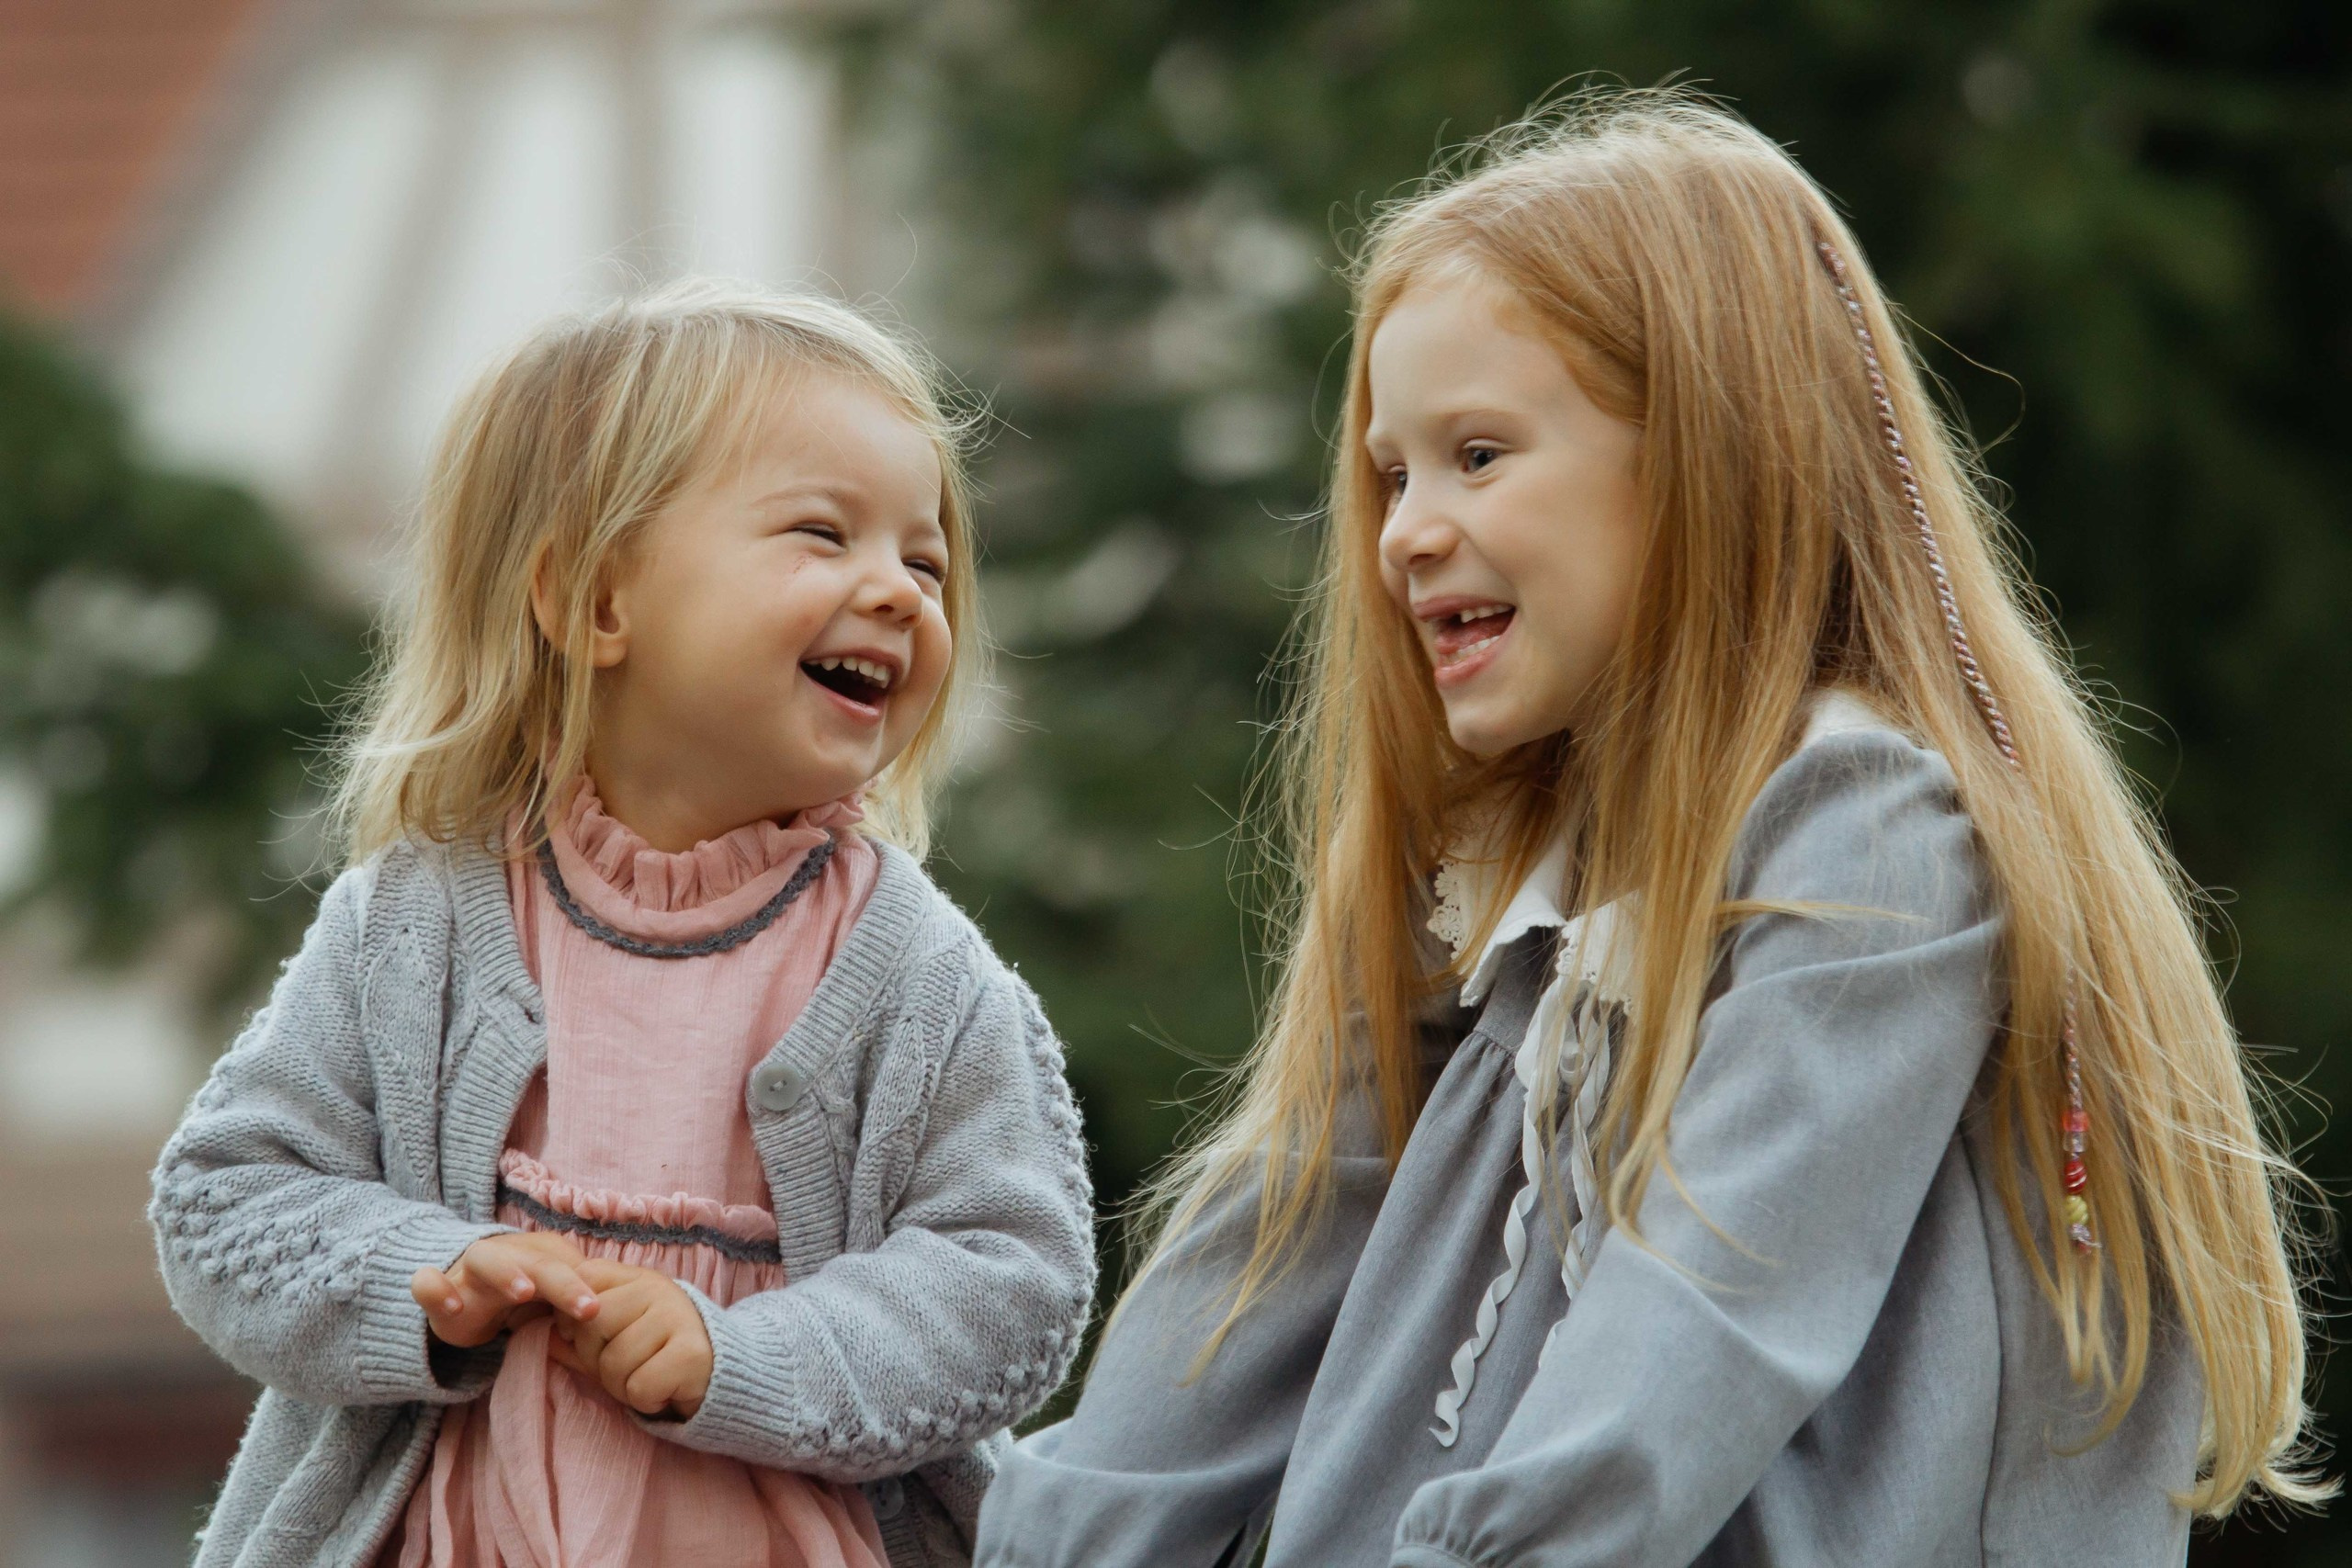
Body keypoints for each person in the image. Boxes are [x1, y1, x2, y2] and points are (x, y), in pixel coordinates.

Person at [975, 90, 2323, 1567]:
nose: (1405, 529)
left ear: (1705, 453)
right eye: (1390, 472)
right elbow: (1256, 1273)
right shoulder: (1488, 876)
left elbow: (1701, 1331)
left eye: (1478, 455)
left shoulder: (1865, 832)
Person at [150, 283, 1095, 1568]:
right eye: (824, 536)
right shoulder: (417, 922)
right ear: (596, 605)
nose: (897, 591)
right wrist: (428, 1282)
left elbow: (1014, 1284)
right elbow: (227, 1197)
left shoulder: (916, 974)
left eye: (925, 560)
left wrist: (738, 1355)